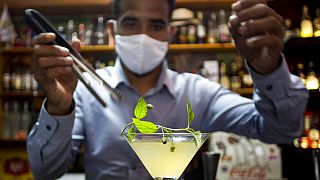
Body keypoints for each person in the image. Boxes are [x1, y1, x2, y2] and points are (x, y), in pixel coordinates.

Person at [27, 0, 309, 179]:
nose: (143, 35)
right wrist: (59, 108)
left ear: (170, 34)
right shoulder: (85, 89)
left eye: (157, 24)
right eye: (131, 22)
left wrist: (268, 71)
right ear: (113, 31)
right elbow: (46, 171)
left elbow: (282, 130)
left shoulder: (198, 93)